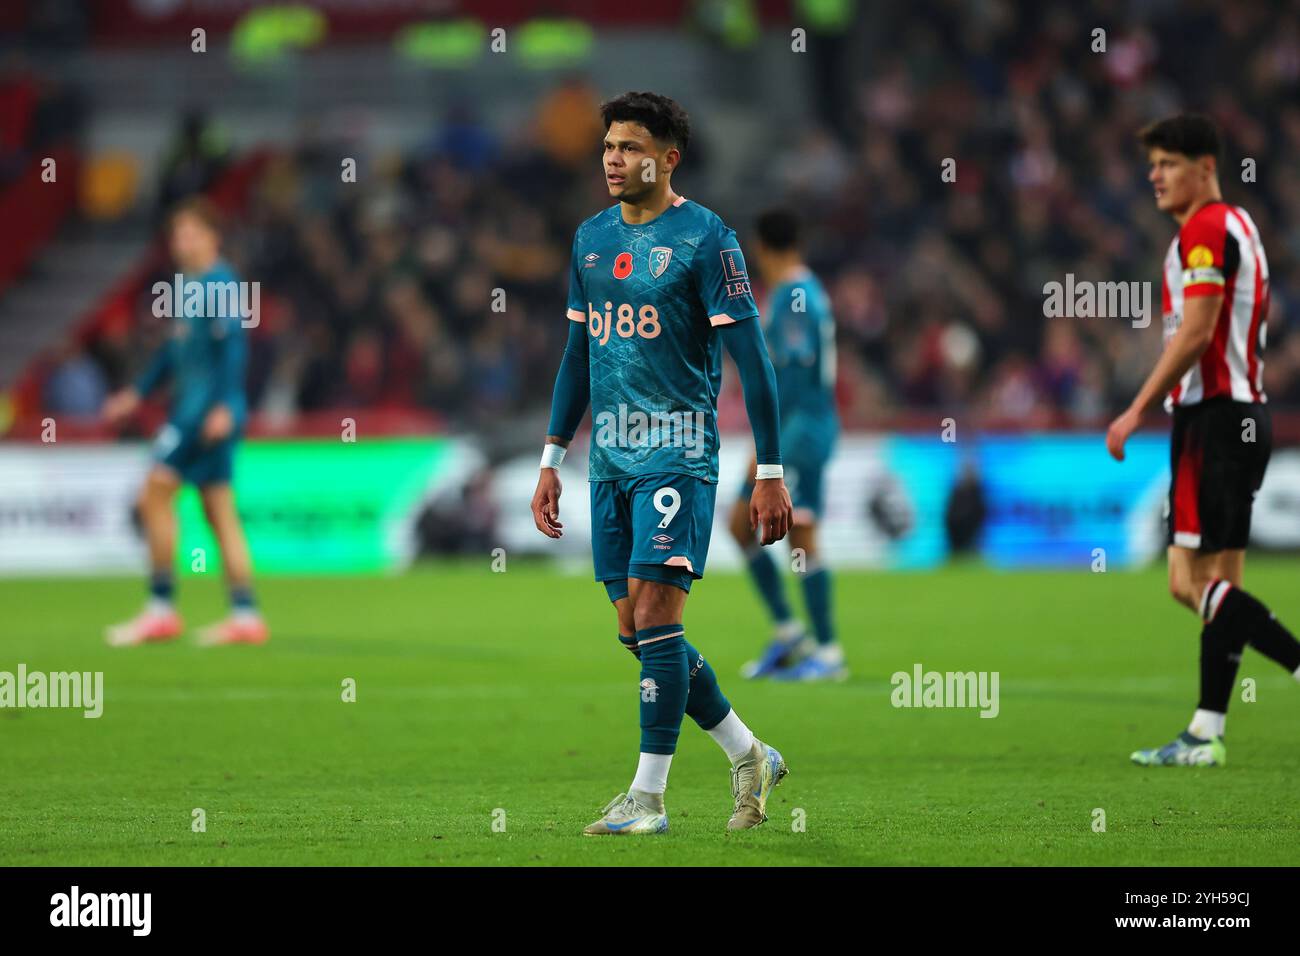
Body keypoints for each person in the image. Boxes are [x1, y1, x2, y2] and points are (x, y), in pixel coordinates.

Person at [531, 92, 793, 833]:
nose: (613, 159)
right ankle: (750, 753)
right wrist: (552, 458)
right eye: (608, 146)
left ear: (668, 157)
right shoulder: (588, 240)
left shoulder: (707, 239)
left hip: (678, 452)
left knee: (656, 612)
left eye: (629, 147)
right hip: (609, 460)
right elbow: (578, 355)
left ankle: (647, 800)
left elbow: (754, 360)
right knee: (636, 630)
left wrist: (770, 471)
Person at [1106, 114, 1300, 766]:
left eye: (1167, 164)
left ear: (1205, 167)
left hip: (1212, 420)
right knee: (1223, 587)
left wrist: (1135, 407)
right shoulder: (1239, 226)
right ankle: (1206, 732)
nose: (1154, 176)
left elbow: (1197, 330)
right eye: (1152, 164)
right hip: (1246, 417)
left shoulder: (1206, 229)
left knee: (1187, 582)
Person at [103, 197, 267, 647]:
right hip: (202, 412)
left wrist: (226, 405)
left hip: (202, 415)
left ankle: (160, 609)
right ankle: (246, 615)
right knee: (219, 511)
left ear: (213, 236)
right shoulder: (191, 287)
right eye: (177, 234)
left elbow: (234, 350)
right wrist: (136, 393)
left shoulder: (222, 285)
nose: (182, 242)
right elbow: (171, 354)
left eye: (191, 232)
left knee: (154, 494)